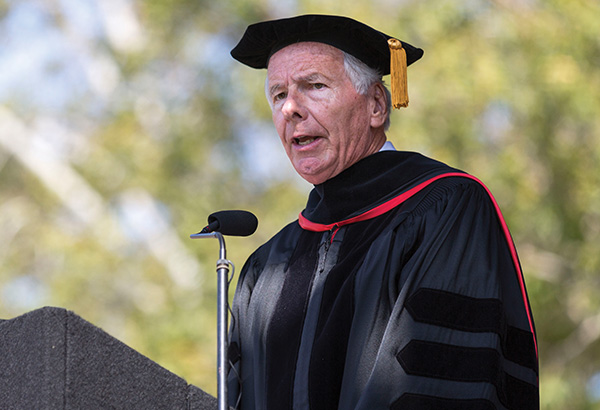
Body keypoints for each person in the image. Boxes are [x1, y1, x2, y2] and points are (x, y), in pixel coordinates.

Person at [227, 14, 539, 410]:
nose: (290, 108)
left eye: (314, 86)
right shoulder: (265, 268)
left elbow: (445, 384)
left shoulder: (445, 209)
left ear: (376, 104)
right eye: (277, 95)